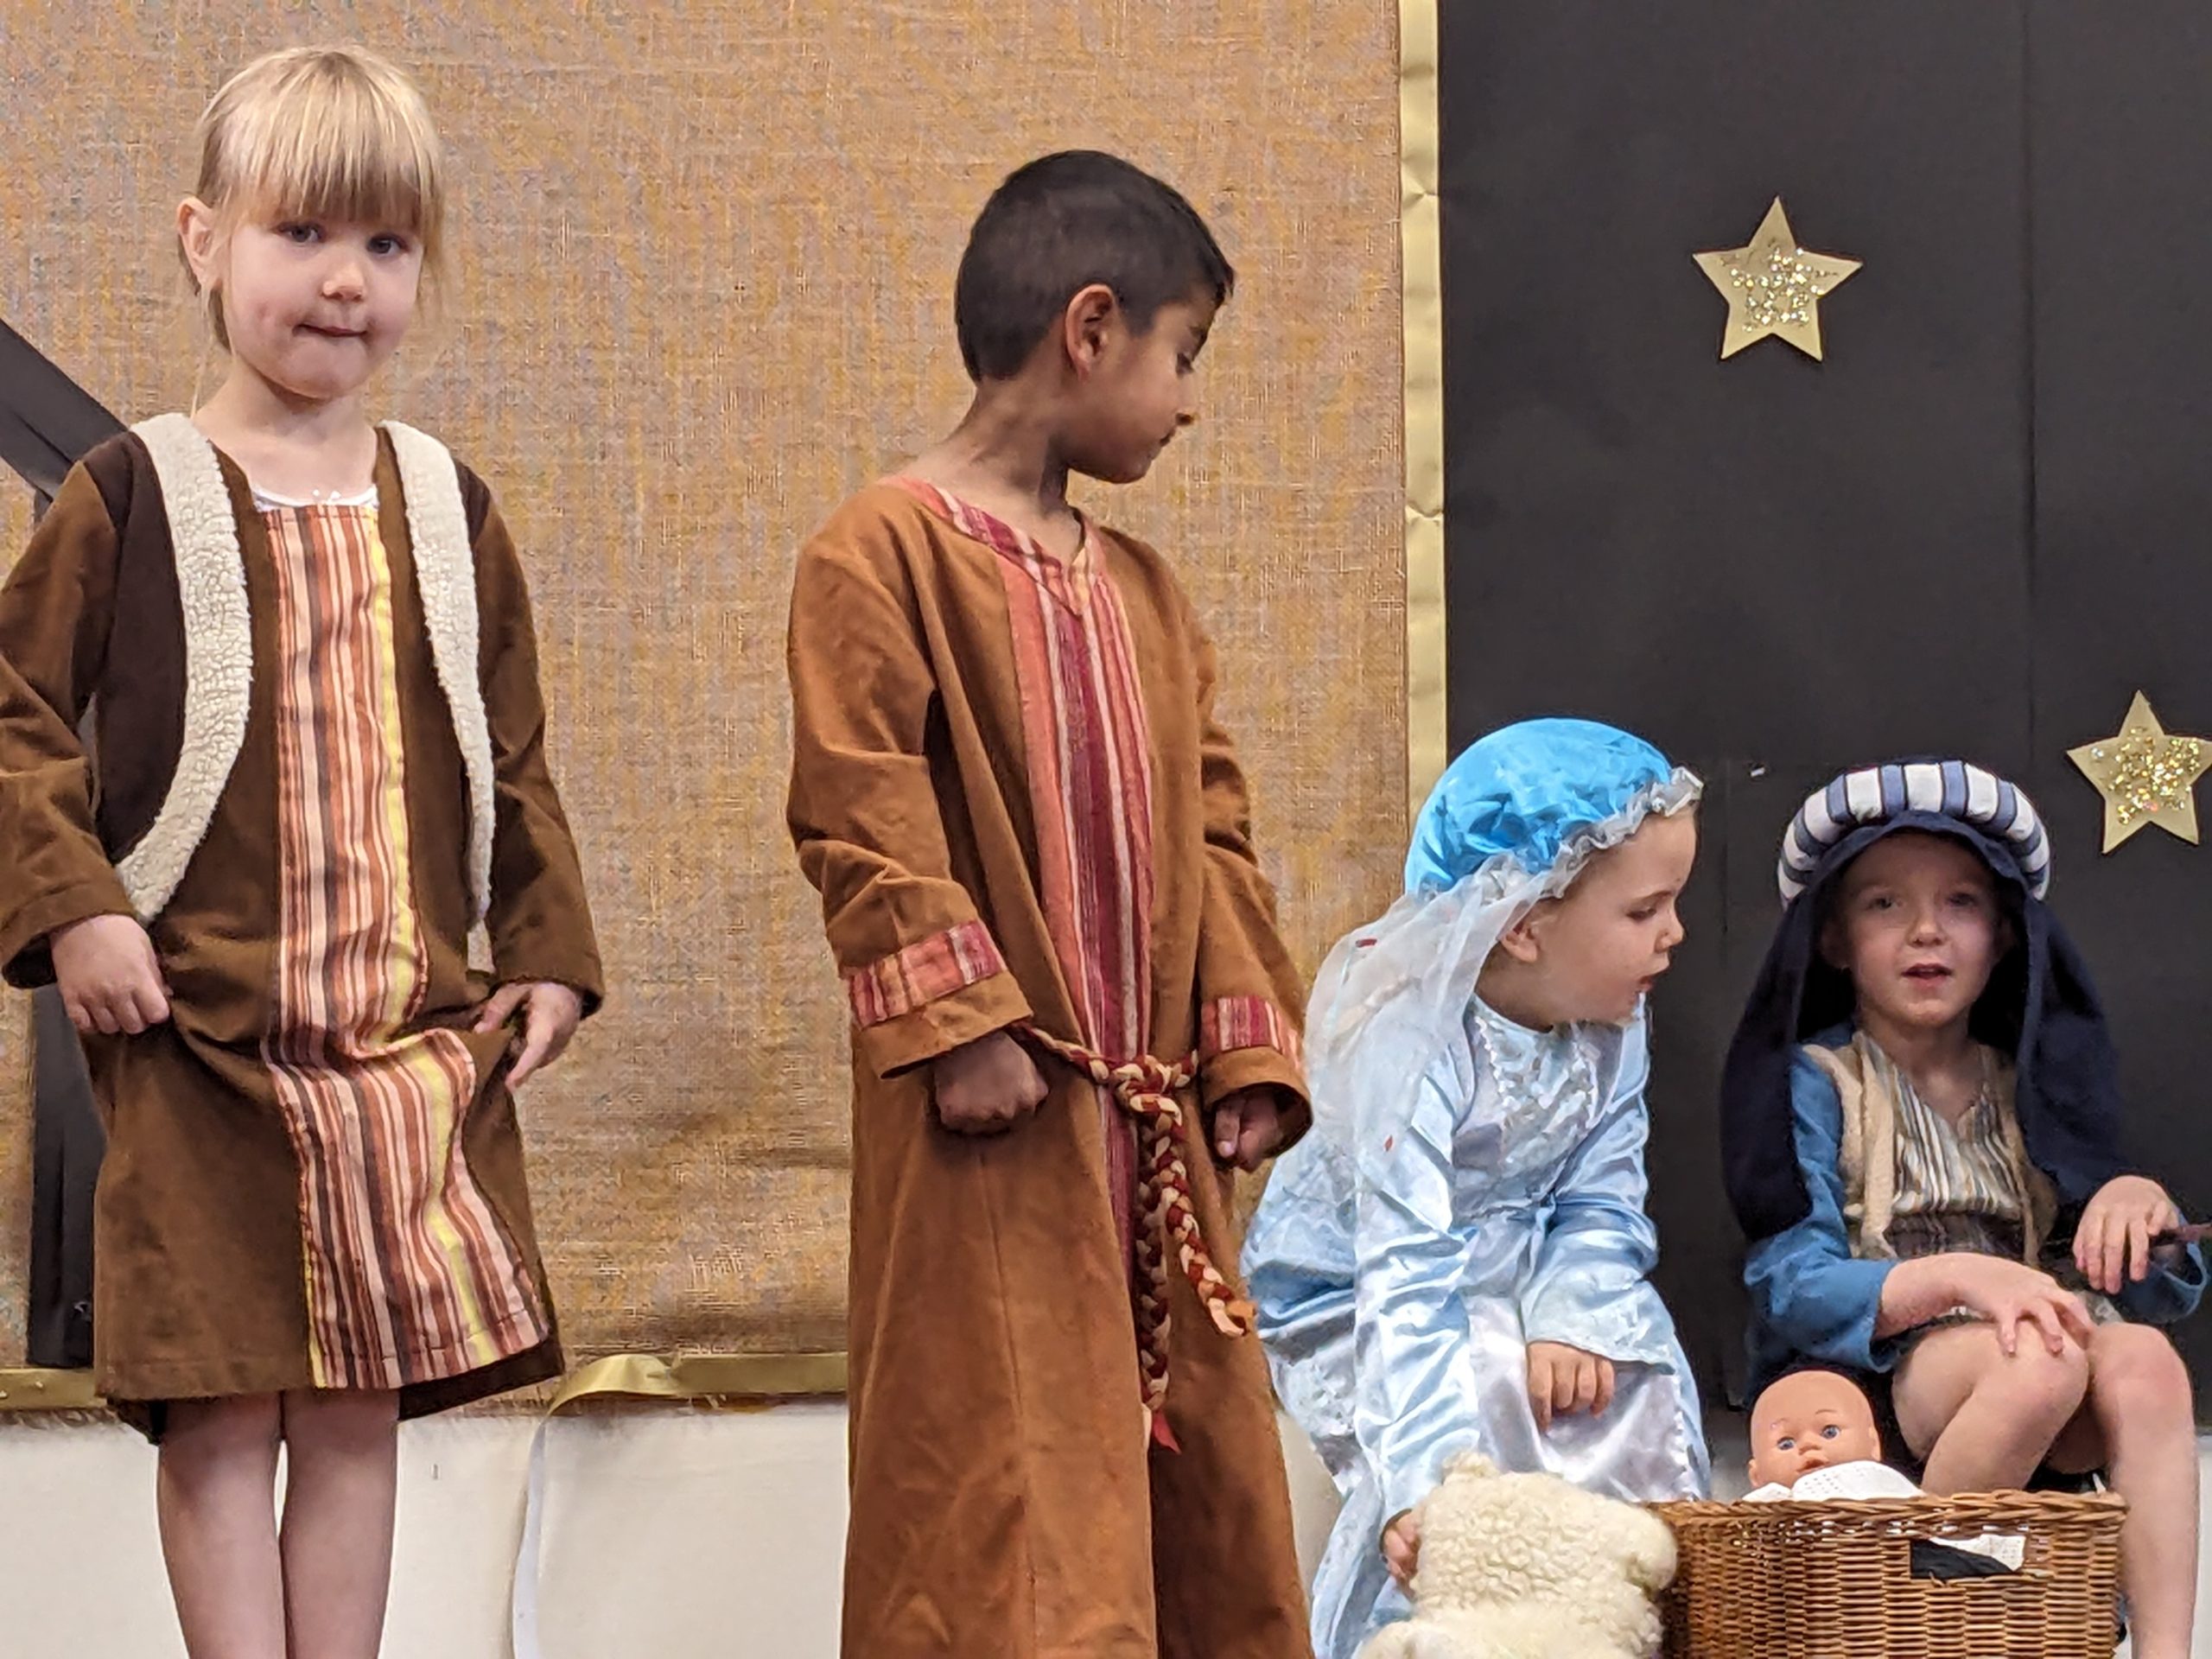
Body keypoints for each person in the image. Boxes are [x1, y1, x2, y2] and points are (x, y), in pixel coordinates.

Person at [0, 46, 601, 1659]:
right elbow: (13, 714)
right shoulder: (131, 493)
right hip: (198, 1043)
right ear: (204, 241)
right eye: (304, 234)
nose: (347, 281)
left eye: (387, 245)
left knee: (352, 1407)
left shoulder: (447, 507)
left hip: (402, 1049)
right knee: (219, 1403)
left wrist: (546, 952)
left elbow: (512, 756)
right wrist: (75, 910)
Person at [785, 149, 1312, 1658]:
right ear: (1091, 327)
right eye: (1183, 355)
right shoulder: (878, 552)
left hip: (1151, 1138)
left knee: (1200, 1500)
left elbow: (1214, 828)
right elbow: (859, 805)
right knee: (1005, 1491)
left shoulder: (1146, 592)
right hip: (994, 1133)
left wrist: (1242, 1049)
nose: (1190, 402)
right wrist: (960, 1024)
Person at [1243, 718, 1710, 1659]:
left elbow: (1601, 1199)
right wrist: (1423, 1487)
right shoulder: (1414, 1044)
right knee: (1486, 1369)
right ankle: (1459, 1622)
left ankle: (1613, 1624)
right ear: (1524, 925)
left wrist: (1571, 1314)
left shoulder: (1613, 1022)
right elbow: (1403, 1268)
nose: (1675, 933)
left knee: (1633, 1363)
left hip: (1521, 1263)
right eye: (1644, 911)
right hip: (1358, 1285)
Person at [1722, 760, 2203, 1658]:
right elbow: (1790, 1285)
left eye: (1961, 903)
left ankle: (2167, 1652)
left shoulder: (2033, 1087)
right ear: (1833, 940)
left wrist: (2137, 1210)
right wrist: (1959, 1277)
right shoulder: (1817, 1082)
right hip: (1893, 1371)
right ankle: (1922, 1615)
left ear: (2005, 935)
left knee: (2145, 1363)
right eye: (1884, 905)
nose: (1926, 931)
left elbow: (2142, 1290)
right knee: (2041, 1358)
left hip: (2038, 1359)